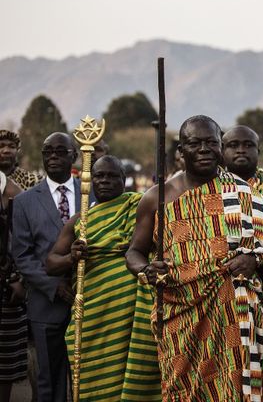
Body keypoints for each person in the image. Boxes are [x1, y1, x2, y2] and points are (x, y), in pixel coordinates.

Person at [125, 115, 263, 400]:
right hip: (182, 315)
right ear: (181, 151)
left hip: (240, 320)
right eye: (195, 143)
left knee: (239, 390)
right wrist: (146, 270)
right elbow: (134, 252)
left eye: (211, 142)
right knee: (184, 390)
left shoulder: (245, 194)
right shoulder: (158, 197)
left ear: (221, 146)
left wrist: (256, 261)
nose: (204, 149)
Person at [45, 155, 161, 401]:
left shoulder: (139, 206)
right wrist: (71, 257)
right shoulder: (80, 221)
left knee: (134, 368)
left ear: (123, 179)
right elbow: (51, 263)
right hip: (95, 311)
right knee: (95, 370)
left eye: (112, 176)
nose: (105, 181)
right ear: (91, 181)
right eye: (99, 176)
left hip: (133, 308)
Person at [12, 133, 81, 402]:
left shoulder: (93, 192)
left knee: (84, 377)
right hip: (46, 303)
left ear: (73, 156)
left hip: (88, 300)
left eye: (60, 151)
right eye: (47, 151)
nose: (52, 156)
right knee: (48, 380)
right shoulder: (25, 202)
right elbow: (22, 255)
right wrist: (55, 287)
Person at [0, 169, 24, 402]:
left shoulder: (10, 190)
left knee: (4, 361)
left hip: (5, 283)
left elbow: (23, 240)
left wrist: (18, 278)